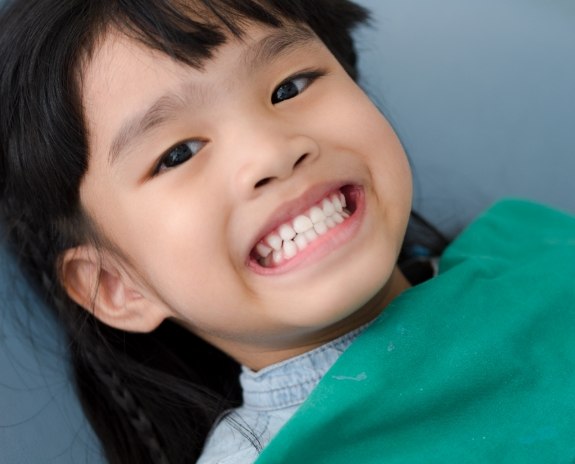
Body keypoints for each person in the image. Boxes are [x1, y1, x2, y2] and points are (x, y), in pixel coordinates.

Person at [1, 1, 574, 464]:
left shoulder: (534, 249)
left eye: (291, 87)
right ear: (114, 285)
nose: (273, 152)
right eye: (177, 153)